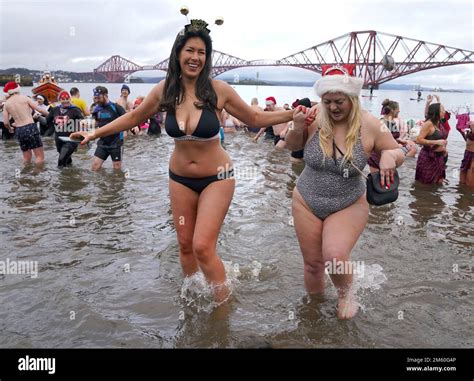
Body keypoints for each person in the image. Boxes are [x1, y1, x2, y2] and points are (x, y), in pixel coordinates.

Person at [71, 19, 294, 303]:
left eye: (202, 52)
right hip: (180, 179)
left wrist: (291, 115)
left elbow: (256, 118)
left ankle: (221, 313)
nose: (195, 57)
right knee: (185, 246)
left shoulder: (218, 90)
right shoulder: (166, 90)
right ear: (178, 53)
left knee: (202, 246)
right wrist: (93, 134)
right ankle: (192, 301)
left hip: (218, 177)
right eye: (190, 50)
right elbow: (133, 118)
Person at [285, 64, 404, 319]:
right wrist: (296, 126)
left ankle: (346, 293)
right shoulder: (314, 116)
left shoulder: (370, 123)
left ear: (352, 98)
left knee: (335, 255)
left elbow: (398, 150)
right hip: (306, 199)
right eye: (327, 101)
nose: (333, 107)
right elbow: (291, 146)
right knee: (313, 265)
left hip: (348, 202)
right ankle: (314, 309)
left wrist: (389, 157)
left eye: (339, 101)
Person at [2, 81, 49, 165]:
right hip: (30, 127)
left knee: (26, 157)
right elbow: (40, 110)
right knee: (39, 156)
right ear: (17, 89)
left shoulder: (6, 104)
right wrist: (53, 115)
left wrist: (10, 128)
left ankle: (23, 175)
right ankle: (37, 176)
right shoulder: (25, 98)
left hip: (19, 130)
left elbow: (5, 122)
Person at [368, 99, 417, 172]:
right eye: (398, 109)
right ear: (392, 110)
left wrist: (398, 140)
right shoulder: (382, 122)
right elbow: (380, 141)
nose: (399, 111)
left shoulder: (392, 121)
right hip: (379, 156)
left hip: (391, 154)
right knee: (377, 180)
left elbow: (390, 137)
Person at [89, 86, 126, 171]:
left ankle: (116, 183)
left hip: (116, 143)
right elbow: (96, 123)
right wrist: (87, 125)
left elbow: (127, 118)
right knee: (95, 167)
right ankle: (99, 183)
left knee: (117, 169)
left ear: (105, 95)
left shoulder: (116, 107)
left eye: (98, 98)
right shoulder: (96, 110)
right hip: (103, 143)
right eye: (95, 98)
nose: (96, 100)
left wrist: (133, 127)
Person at [46, 91, 84, 167]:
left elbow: (83, 122)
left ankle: (60, 178)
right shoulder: (55, 110)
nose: (65, 102)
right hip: (58, 139)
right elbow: (46, 122)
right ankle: (70, 175)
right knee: (67, 159)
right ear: (59, 100)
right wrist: (36, 117)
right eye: (63, 100)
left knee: (61, 161)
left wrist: (83, 135)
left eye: (67, 100)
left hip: (71, 139)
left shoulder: (75, 109)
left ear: (70, 99)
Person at [415, 103, 448, 185]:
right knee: (425, 185)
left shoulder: (439, 123)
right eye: (442, 110)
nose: (444, 112)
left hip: (439, 158)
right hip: (428, 158)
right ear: (436, 112)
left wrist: (444, 148)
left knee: (439, 183)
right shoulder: (428, 124)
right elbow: (418, 140)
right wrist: (436, 142)